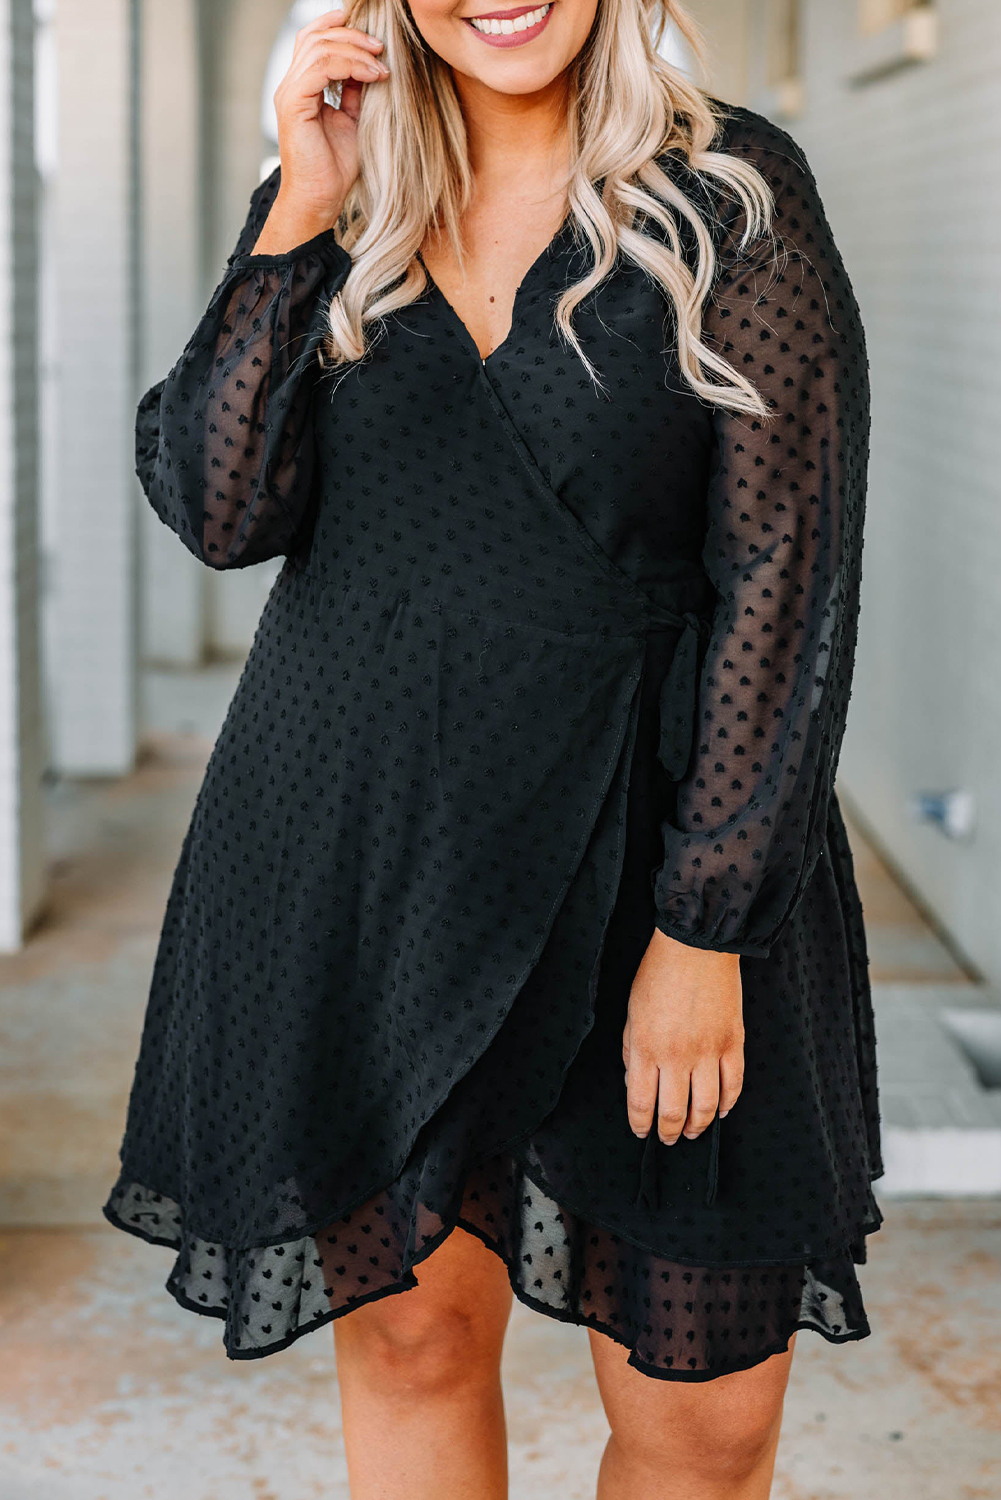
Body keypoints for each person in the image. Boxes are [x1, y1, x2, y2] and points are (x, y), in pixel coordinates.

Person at [102, 2, 882, 1495]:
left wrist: (704, 930)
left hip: (654, 846)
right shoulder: (335, 197)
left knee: (703, 1426)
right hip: (368, 849)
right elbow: (218, 508)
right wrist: (301, 207)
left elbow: (786, 579)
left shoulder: (730, 196)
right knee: (413, 1344)